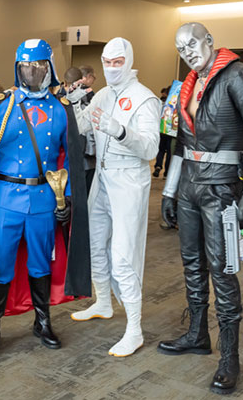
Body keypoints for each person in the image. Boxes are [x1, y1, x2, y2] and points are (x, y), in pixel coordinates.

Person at [0, 39, 90, 360]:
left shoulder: (61, 108)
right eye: (26, 67)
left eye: (39, 66)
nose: (32, 72)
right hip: (6, 200)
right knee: (0, 265)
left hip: (44, 198)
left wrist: (66, 197)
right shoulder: (4, 104)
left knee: (41, 263)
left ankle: (42, 322)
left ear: (49, 68)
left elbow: (69, 157)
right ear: (18, 68)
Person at [158, 23, 243, 395]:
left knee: (224, 271)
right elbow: (180, 141)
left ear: (209, 40)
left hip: (222, 187)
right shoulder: (188, 83)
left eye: (192, 43)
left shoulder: (238, 75)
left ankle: (230, 357)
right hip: (191, 183)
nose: (187, 51)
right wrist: (170, 190)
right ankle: (196, 334)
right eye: (180, 47)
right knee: (192, 264)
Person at [69, 38, 159, 357]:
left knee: (123, 254)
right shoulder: (104, 95)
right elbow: (79, 126)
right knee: (95, 243)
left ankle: (134, 329)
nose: (111, 67)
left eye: (117, 61)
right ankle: (103, 302)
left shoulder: (145, 99)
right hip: (103, 176)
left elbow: (150, 148)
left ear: (129, 60)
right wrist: (71, 102)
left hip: (130, 179)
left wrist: (119, 130)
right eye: (107, 61)